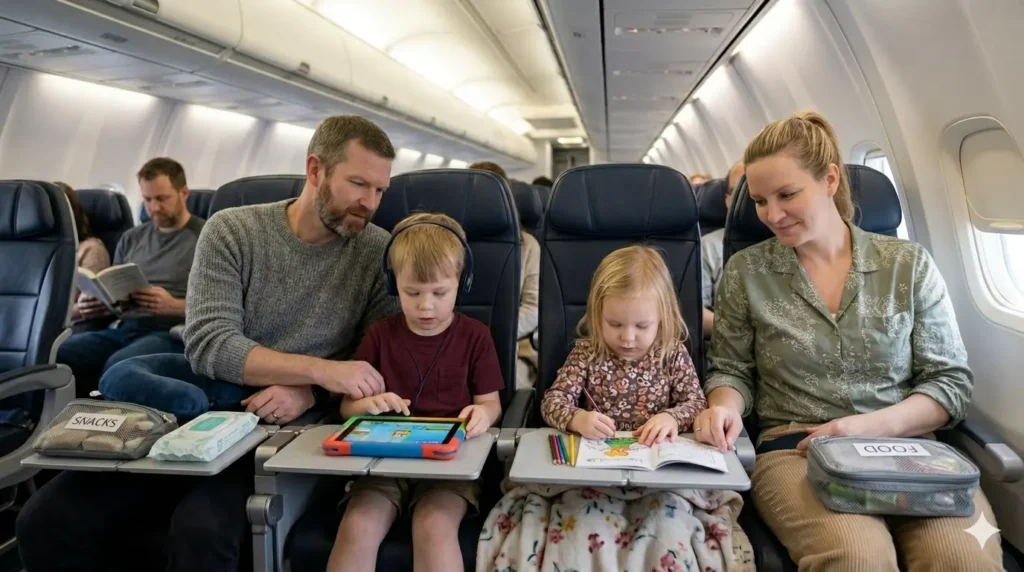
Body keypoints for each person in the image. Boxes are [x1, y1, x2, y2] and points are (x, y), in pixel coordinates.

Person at [17, 115, 401, 572]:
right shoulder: (233, 230)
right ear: (315, 170)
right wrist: (319, 372)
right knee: (45, 520)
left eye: (380, 190)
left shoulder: (378, 252)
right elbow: (209, 344)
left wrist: (312, 392)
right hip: (196, 411)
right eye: (358, 184)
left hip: (283, 429)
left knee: (201, 531)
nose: (369, 203)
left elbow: (369, 362)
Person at [694, 111, 1001, 571]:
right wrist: (724, 407)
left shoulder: (907, 265)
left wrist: (864, 427)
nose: (771, 214)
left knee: (964, 560)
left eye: (787, 194)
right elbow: (731, 370)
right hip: (797, 450)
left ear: (830, 180)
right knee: (859, 558)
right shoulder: (747, 272)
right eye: (758, 201)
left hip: (910, 451)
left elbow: (949, 383)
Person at [478, 246, 753, 572]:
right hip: (593, 475)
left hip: (658, 477)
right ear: (597, 315)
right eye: (615, 324)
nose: (627, 337)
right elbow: (552, 401)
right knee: (576, 531)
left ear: (663, 318)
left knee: (664, 531)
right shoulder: (587, 353)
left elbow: (695, 403)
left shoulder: (672, 354)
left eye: (642, 326)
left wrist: (670, 416)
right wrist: (578, 418)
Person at [328, 212, 503, 572]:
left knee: (434, 526)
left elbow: (491, 404)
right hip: (383, 464)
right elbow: (347, 408)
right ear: (393, 285)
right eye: (412, 293)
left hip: (448, 467)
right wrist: (367, 404)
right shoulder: (379, 336)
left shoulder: (476, 337)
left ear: (462, 283)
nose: (426, 305)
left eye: (440, 293)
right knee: (358, 525)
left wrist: (482, 414)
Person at [56, 158, 203, 397]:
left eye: (162, 199)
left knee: (119, 365)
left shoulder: (205, 237)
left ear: (184, 193)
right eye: (147, 199)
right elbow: (114, 286)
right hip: (125, 327)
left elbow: (224, 305)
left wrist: (175, 306)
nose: (154, 208)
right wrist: (99, 303)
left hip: (172, 332)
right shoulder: (132, 238)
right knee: (57, 354)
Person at [467, 162, 541, 388]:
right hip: (455, 344)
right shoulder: (450, 241)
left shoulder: (527, 245)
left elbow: (534, 307)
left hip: (512, 346)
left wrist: (496, 333)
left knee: (507, 384)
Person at [701, 161, 744, 336]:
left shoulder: (791, 240)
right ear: (727, 200)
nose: (747, 198)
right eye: (739, 191)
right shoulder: (707, 246)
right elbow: (696, 311)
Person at [55, 181, 111, 317]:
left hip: (70, 324)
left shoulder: (91, 250)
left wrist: (47, 318)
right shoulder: (34, 250)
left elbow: (90, 306)